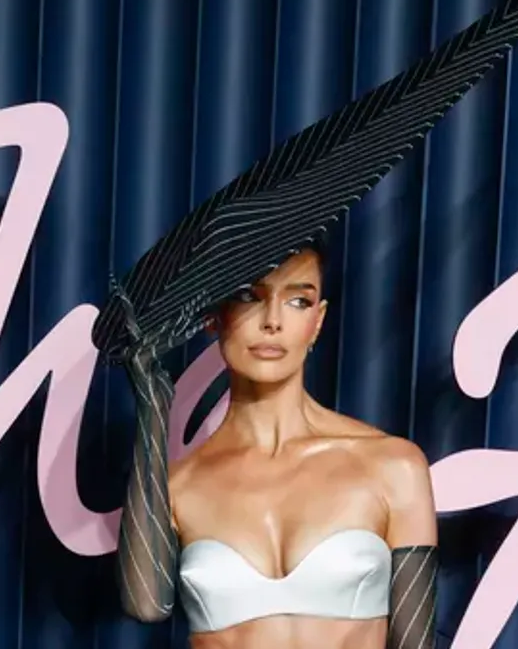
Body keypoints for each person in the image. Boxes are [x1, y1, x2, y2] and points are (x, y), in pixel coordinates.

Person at [111, 237, 439, 649]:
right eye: (249, 296)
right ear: (213, 315)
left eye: (298, 301)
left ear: (318, 321)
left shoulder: (394, 466)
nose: (273, 321)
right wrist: (153, 411)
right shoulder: (180, 484)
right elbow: (146, 605)